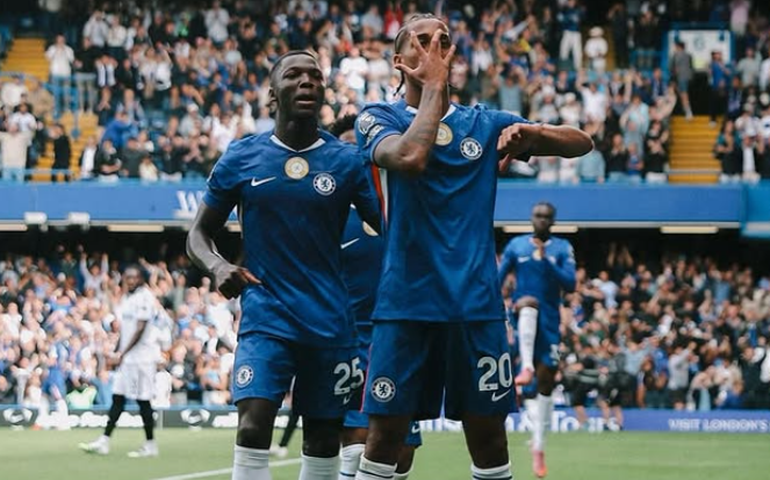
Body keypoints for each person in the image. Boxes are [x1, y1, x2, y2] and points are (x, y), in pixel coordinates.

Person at [353, 14, 592, 480]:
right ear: (399, 61)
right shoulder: (377, 118)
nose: (435, 48)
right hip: (406, 304)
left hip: (475, 306)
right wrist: (433, 88)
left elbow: (581, 143)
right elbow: (409, 156)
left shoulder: (483, 122)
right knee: (385, 442)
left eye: (443, 41)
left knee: (490, 442)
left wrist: (534, 135)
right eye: (422, 41)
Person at [186, 51, 381, 480]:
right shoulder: (242, 156)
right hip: (267, 315)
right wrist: (217, 266)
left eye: (315, 76)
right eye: (294, 75)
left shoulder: (347, 161)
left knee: (323, 440)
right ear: (273, 95)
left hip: (330, 320)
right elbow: (198, 233)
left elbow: (389, 227)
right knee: (253, 426)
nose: (307, 81)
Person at [328, 115, 422, 480]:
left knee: (402, 456)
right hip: (350, 342)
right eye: (348, 145)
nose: (357, 153)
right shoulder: (329, 213)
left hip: (400, 340)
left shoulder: (402, 203)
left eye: (362, 145)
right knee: (356, 444)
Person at [498, 202, 577, 478]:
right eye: (538, 216)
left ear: (553, 221)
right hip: (523, 313)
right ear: (531, 218)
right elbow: (498, 279)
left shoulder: (562, 248)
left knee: (546, 384)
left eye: (546, 217)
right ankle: (526, 366)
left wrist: (546, 261)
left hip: (550, 322)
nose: (541, 220)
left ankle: (539, 446)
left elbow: (570, 284)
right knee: (528, 303)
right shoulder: (516, 246)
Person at [79, 266, 160, 457]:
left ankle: (150, 444)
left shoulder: (145, 297)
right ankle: (104, 441)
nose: (130, 281)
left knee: (143, 400)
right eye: (127, 277)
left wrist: (122, 353)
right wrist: (117, 351)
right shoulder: (127, 298)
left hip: (142, 359)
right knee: (118, 397)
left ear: (141, 279)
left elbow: (140, 328)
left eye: (134, 277)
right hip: (128, 359)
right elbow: (126, 330)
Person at [670, 40, 694, 120]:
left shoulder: (676, 55)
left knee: (683, 95)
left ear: (678, 47)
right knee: (682, 94)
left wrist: (673, 80)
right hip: (687, 78)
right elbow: (691, 68)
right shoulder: (689, 55)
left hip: (680, 78)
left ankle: (688, 112)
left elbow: (673, 68)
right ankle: (686, 111)